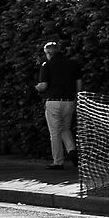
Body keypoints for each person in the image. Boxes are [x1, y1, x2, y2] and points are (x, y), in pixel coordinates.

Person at [35, 40, 81, 171]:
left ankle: (58, 162)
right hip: (69, 101)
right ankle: (72, 150)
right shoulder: (73, 64)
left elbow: (43, 85)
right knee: (65, 128)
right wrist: (77, 99)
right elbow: (79, 84)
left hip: (53, 102)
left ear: (48, 53)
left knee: (54, 133)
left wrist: (37, 88)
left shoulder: (46, 65)